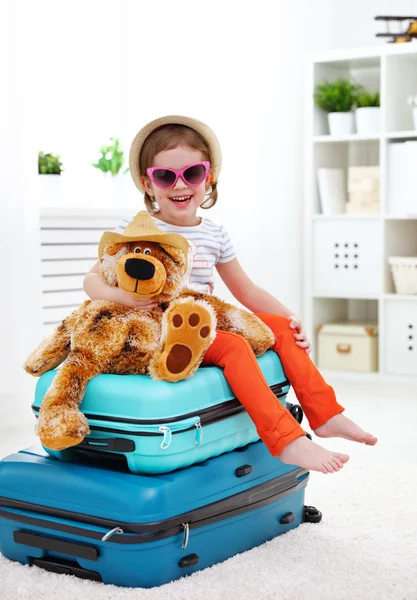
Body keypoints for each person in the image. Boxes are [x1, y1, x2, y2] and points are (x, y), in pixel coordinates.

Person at [84, 115, 377, 474]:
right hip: (154, 329)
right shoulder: (136, 230)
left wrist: (290, 317)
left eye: (192, 174)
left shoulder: (215, 234)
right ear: (148, 183)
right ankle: (286, 441)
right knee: (234, 348)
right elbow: (92, 282)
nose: (180, 185)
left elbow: (246, 290)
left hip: (200, 324)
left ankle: (326, 415)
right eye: (165, 176)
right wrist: (127, 299)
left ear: (208, 178)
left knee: (280, 330)